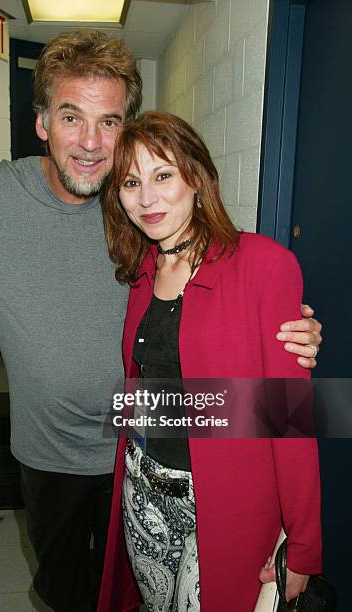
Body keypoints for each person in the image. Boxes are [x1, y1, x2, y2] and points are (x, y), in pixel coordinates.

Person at [0, 31, 321, 612]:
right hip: (57, 458)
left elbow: (268, 395)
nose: (91, 143)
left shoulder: (149, 219)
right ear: (42, 121)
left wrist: (284, 340)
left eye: (110, 121)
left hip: (148, 455)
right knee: (74, 594)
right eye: (72, 117)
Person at [98, 111, 322, 612]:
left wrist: (304, 544)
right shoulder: (141, 273)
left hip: (224, 505)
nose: (146, 198)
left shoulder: (263, 267)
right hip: (144, 491)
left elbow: (290, 419)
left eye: (163, 175)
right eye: (132, 182)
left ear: (197, 178)